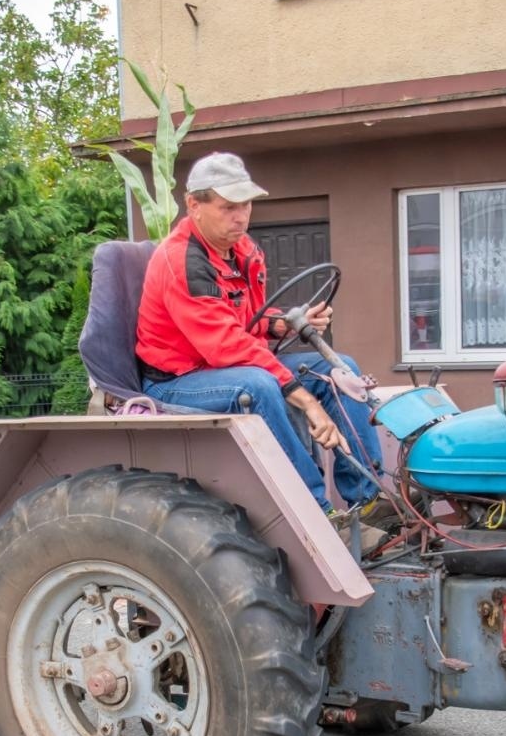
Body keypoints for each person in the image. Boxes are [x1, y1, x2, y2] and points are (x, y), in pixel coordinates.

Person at [135, 151, 384, 515]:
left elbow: (248, 321)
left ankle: (369, 500)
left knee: (339, 368)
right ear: (194, 205)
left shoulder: (242, 250)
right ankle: (315, 512)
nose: (241, 217)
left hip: (224, 363)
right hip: (177, 378)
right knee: (259, 386)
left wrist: (285, 324)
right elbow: (226, 346)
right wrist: (307, 401)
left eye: (246, 205)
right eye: (228, 207)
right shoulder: (182, 261)